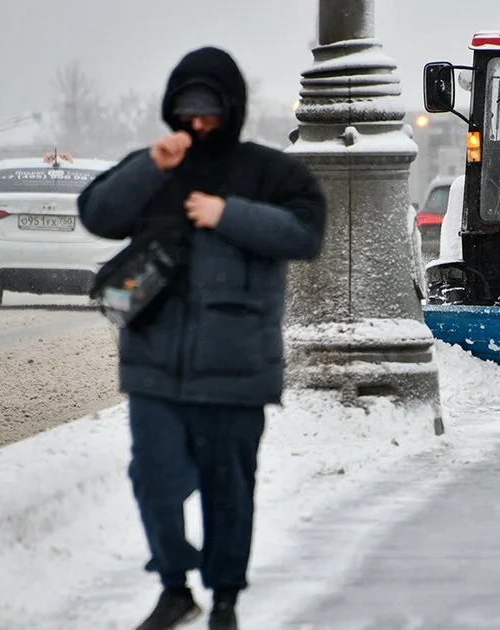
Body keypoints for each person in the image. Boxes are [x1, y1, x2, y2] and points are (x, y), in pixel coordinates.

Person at [77, 46, 327, 630]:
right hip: (154, 364)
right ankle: (173, 586)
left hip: (237, 369)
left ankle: (224, 602)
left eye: (209, 112)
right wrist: (150, 166)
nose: (196, 125)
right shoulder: (158, 164)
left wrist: (227, 213)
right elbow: (96, 214)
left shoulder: (271, 172)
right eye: (187, 112)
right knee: (154, 479)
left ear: (232, 110)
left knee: (228, 493)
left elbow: (305, 232)